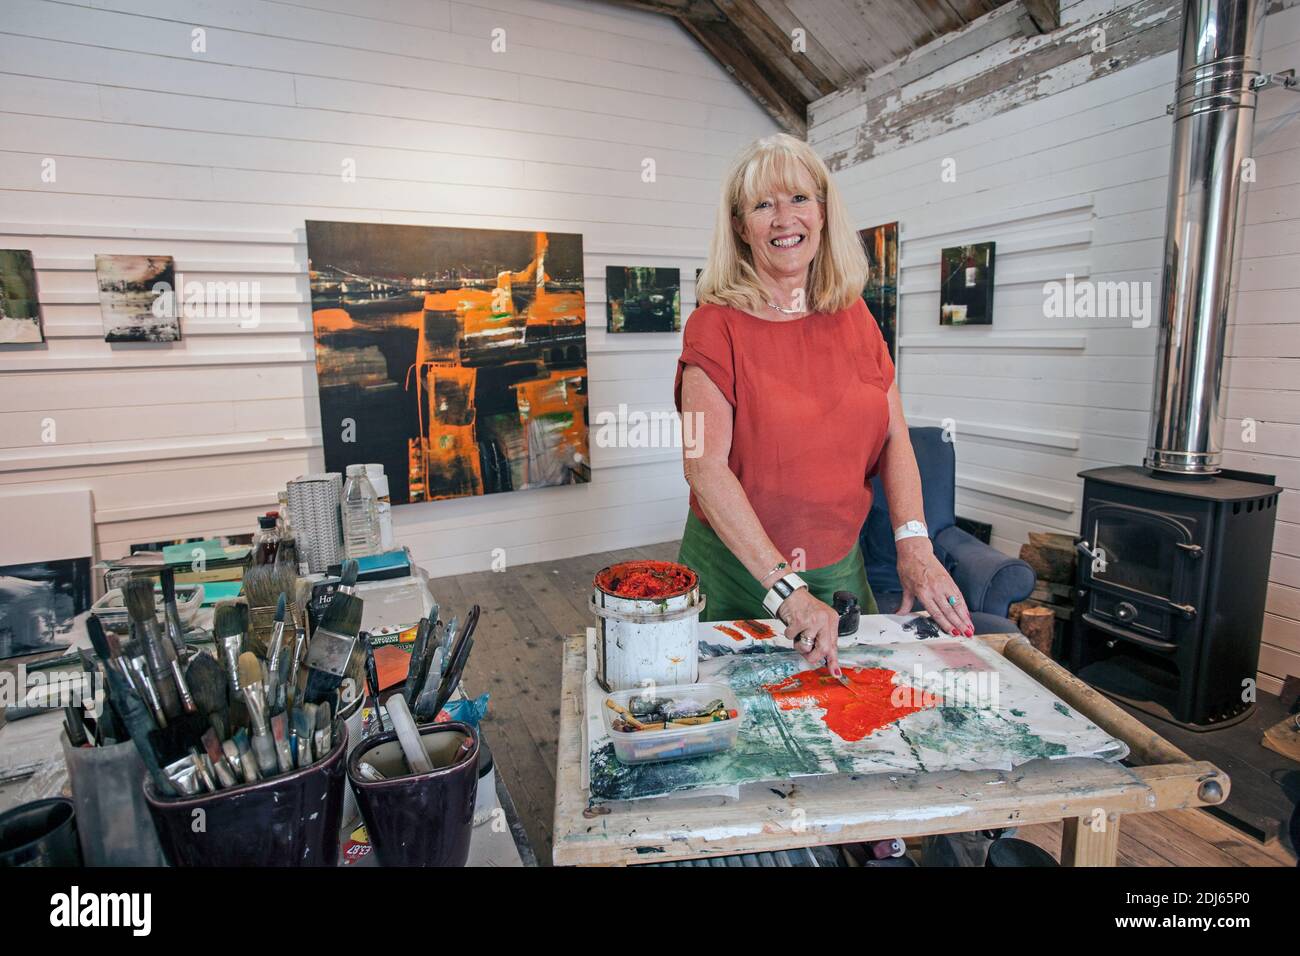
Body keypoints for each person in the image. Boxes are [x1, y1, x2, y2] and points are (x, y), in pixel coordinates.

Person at [675, 133, 975, 677]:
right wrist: (786, 591)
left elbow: (894, 438)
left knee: (848, 727)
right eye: (763, 205)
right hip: (738, 575)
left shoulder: (855, 316)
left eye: (798, 199)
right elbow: (703, 465)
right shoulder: (712, 326)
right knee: (740, 735)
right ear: (741, 227)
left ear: (823, 212)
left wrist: (914, 545)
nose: (783, 218)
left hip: (839, 569)